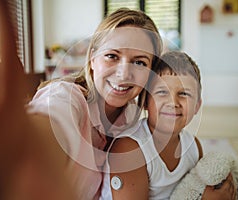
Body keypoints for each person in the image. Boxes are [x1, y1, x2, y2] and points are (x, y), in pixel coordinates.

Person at [27, 7, 163, 200]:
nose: (124, 74)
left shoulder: (131, 115)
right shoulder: (66, 97)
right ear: (92, 58)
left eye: (139, 62)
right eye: (112, 56)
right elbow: (48, 126)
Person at [101, 51, 236, 200]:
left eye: (184, 94)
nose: (173, 102)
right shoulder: (129, 149)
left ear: (197, 106)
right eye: (162, 92)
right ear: (145, 101)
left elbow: (193, 190)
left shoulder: (193, 147)